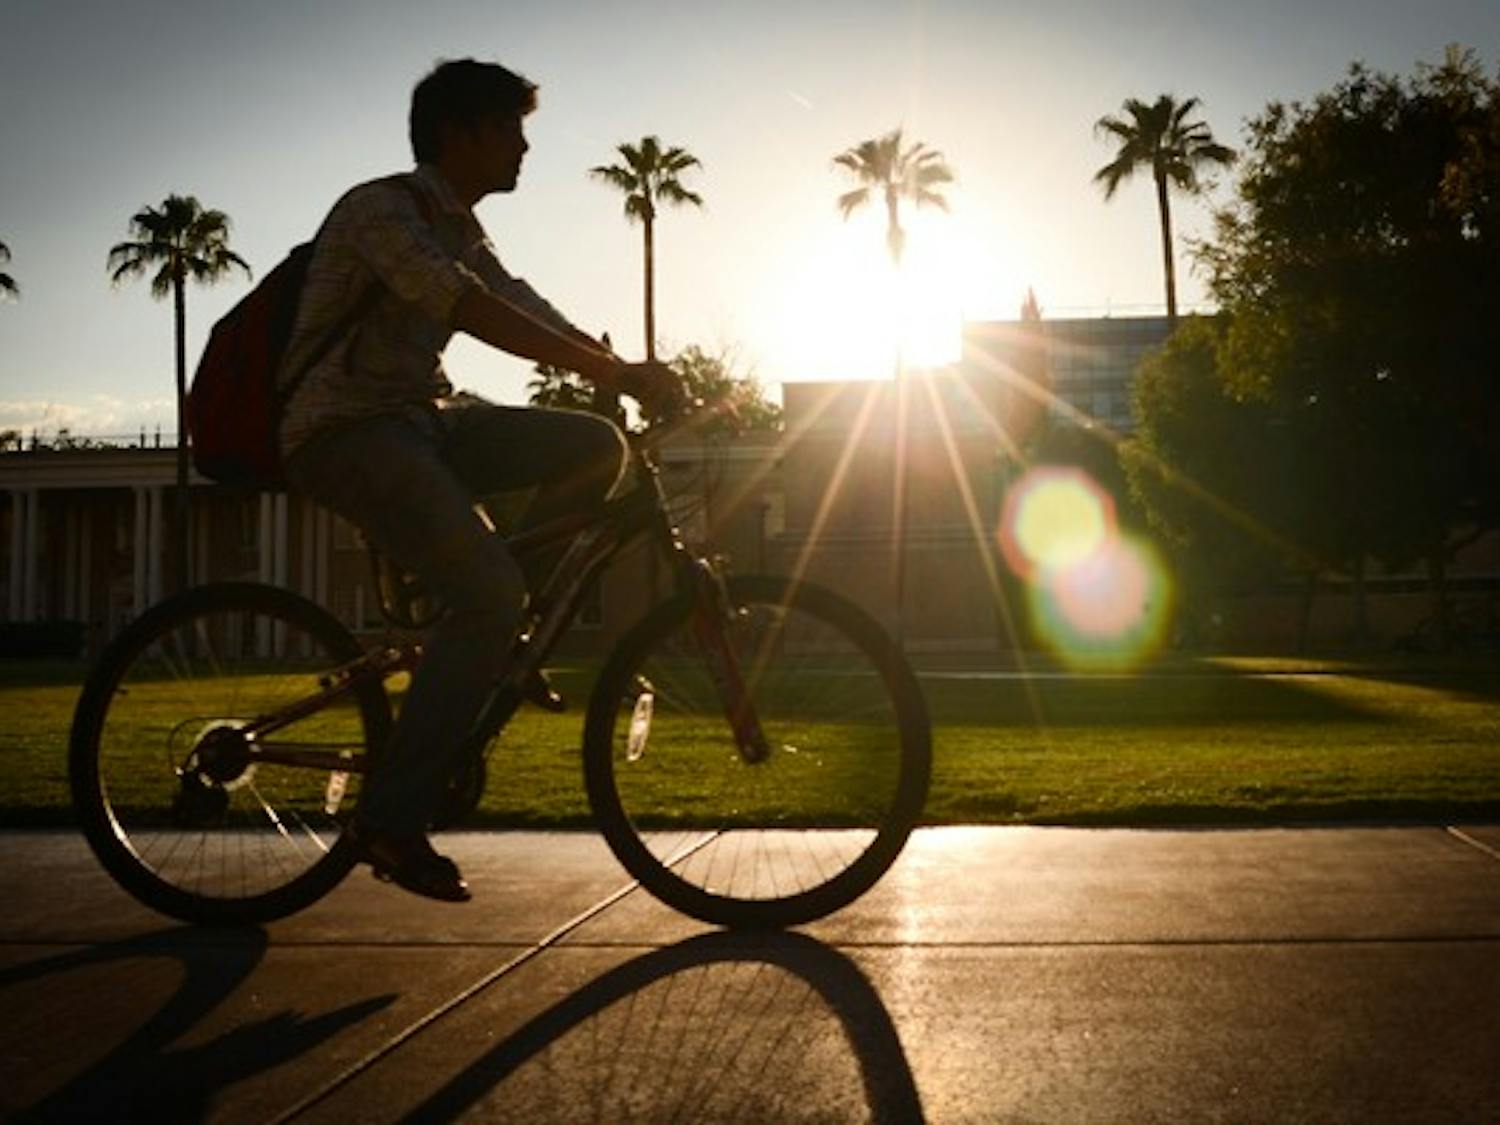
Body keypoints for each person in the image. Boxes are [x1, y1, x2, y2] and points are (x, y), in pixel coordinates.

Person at [278, 58, 680, 903]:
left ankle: (502, 629)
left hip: (426, 419)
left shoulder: (457, 224)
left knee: (592, 445)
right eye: (509, 128)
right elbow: (467, 305)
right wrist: (609, 367)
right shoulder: (380, 209)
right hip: (347, 428)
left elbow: (517, 298)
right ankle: (390, 818)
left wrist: (619, 371)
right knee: (487, 592)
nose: (524, 146)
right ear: (458, 133)